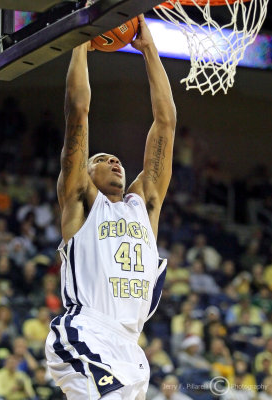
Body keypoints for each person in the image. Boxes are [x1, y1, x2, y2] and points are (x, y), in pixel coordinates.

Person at [45, 14, 176, 400]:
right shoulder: (82, 202)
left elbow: (165, 123)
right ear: (84, 172)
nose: (115, 161)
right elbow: (77, 114)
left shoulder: (145, 204)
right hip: (87, 330)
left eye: (117, 159)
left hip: (130, 351)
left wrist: (148, 48)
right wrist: (80, 44)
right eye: (102, 158)